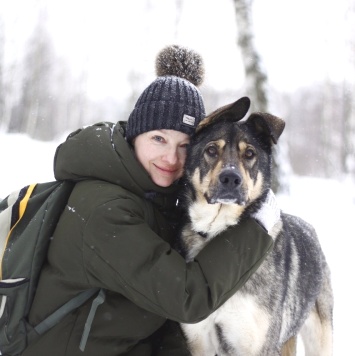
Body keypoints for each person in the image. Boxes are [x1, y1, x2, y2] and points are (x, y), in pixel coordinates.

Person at [22, 45, 278, 356]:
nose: (171, 157)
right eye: (158, 138)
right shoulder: (103, 210)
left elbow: (164, 322)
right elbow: (186, 298)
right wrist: (258, 227)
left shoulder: (157, 197)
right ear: (135, 134)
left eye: (184, 145)